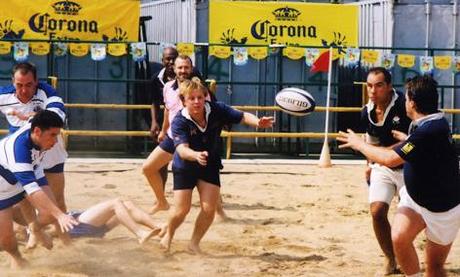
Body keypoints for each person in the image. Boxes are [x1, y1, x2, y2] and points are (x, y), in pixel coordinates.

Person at [337, 75, 460, 277]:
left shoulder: (429, 130)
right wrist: (408, 140)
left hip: (443, 208)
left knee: (435, 268)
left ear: (412, 102)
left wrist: (358, 143)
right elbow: (418, 144)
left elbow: (390, 159)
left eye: (406, 99)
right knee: (399, 237)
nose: (404, 101)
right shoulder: (431, 121)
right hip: (416, 198)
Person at [159, 77, 274, 254]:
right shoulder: (179, 121)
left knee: (209, 209)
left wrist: (258, 122)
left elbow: (242, 116)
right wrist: (195, 155)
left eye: (200, 97)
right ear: (183, 101)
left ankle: (194, 244)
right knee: (182, 210)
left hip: (209, 163)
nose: (197, 101)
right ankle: (168, 235)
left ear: (205, 97)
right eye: (192, 98)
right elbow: (181, 150)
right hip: (185, 165)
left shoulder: (216, 109)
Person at [142, 55, 227, 219]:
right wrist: (163, 130)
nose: (183, 71)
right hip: (173, 137)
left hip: (195, 139)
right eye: (180, 68)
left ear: (191, 68)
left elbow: (211, 111)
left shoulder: (199, 90)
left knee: (209, 177)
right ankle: (161, 202)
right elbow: (167, 110)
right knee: (148, 168)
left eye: (186, 67)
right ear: (174, 69)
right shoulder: (167, 87)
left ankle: (220, 212)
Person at [0, 110, 78, 269]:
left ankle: (34, 228)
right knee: (6, 239)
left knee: (50, 212)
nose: (56, 141)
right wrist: (61, 215)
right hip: (2, 190)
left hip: (27, 174)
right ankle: (17, 256)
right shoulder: (18, 151)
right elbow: (32, 191)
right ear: (37, 131)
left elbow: (36, 116)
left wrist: (56, 214)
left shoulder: (36, 129)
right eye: (53, 135)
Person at [360, 67, 411, 275]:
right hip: (383, 167)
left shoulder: (405, 105)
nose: (373, 90)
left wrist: (377, 153)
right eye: (369, 85)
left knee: (414, 219)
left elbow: (411, 143)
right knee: (377, 212)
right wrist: (368, 164)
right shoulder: (367, 111)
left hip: (410, 167)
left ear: (389, 87)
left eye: (379, 85)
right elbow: (370, 141)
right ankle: (391, 260)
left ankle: (431, 257)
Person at [0, 63, 68, 215]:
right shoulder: (3, 96)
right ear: (12, 82)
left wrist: (33, 117)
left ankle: (63, 233)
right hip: (21, 151)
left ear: (36, 81)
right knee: (23, 196)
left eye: (29, 85)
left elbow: (57, 116)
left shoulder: (47, 92)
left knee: (57, 200)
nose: (24, 90)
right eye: (19, 85)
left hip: (50, 150)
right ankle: (33, 231)